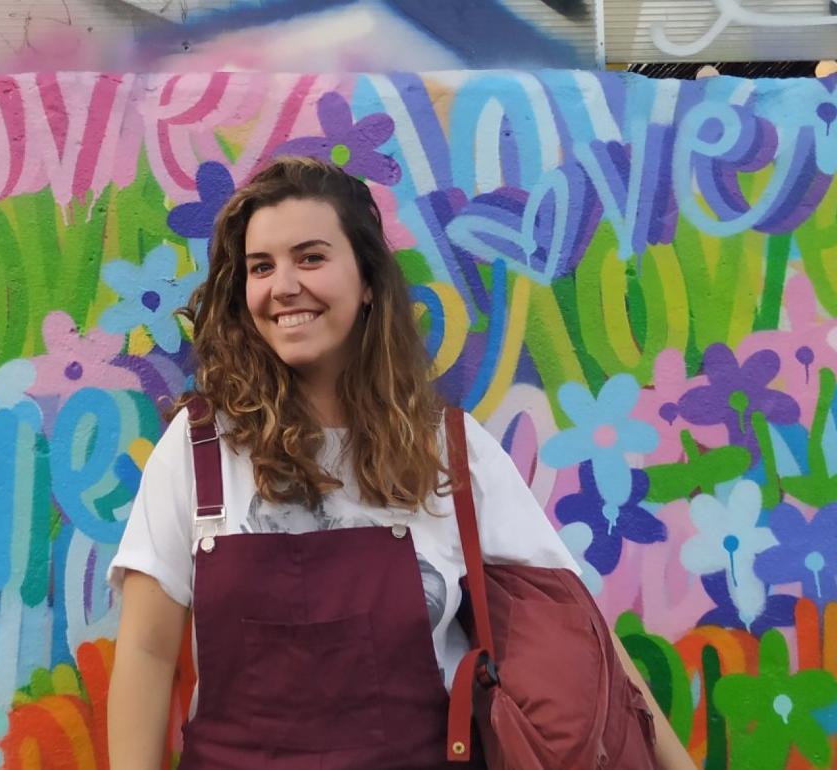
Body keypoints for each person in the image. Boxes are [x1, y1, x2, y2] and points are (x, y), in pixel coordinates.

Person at [106, 156, 695, 769]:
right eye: (261, 267)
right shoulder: (199, 450)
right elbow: (147, 653)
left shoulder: (450, 451)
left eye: (310, 258)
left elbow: (583, 634)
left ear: (367, 283)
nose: (283, 285)